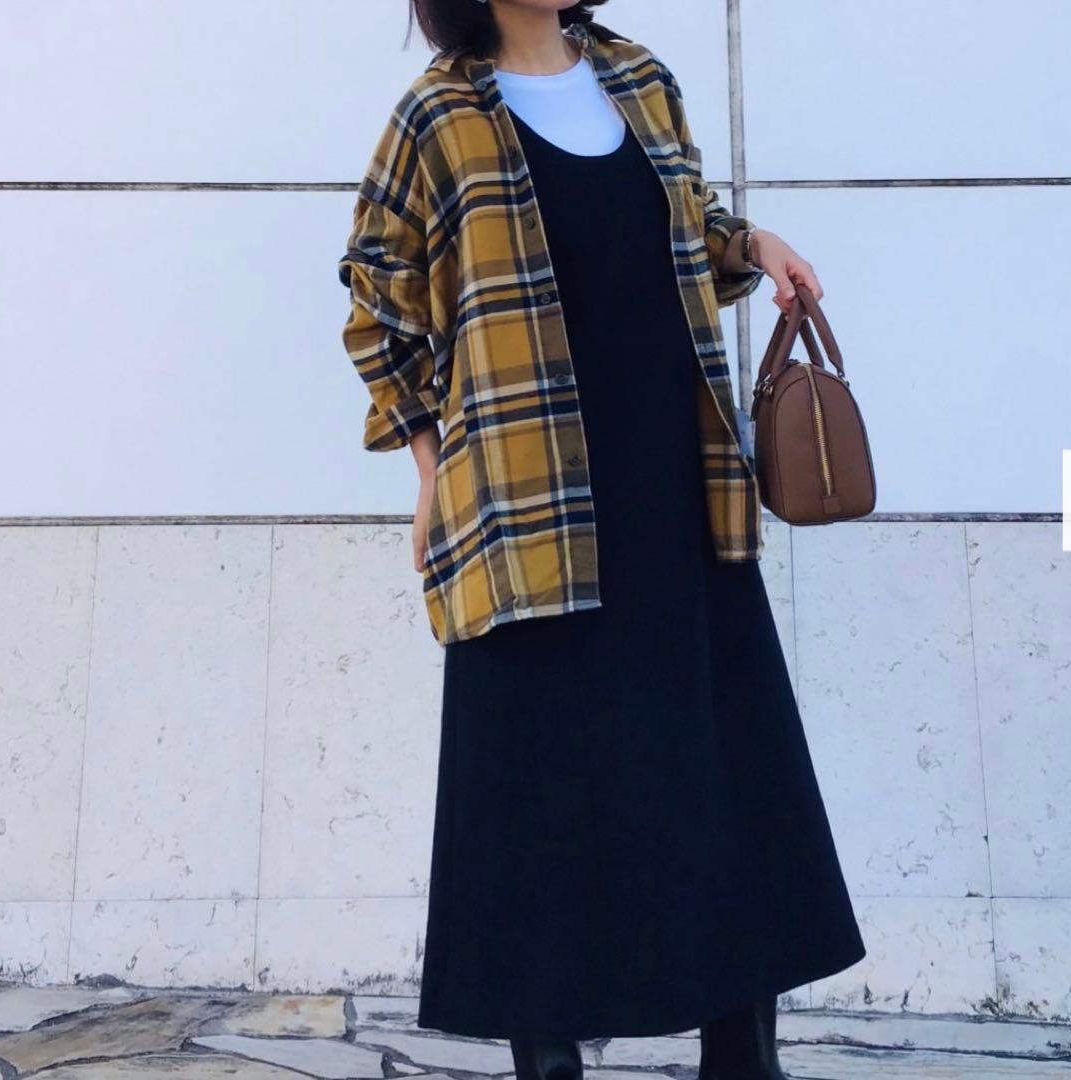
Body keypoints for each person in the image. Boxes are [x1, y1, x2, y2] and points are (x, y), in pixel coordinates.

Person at [337, 3, 867, 1078]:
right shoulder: (437, 116)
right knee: (538, 783)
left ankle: (743, 1056)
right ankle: (548, 1061)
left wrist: (752, 245)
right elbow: (377, 299)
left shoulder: (637, 78)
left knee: (718, 767)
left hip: (678, 483)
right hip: (527, 497)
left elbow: (685, 227)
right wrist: (432, 469)